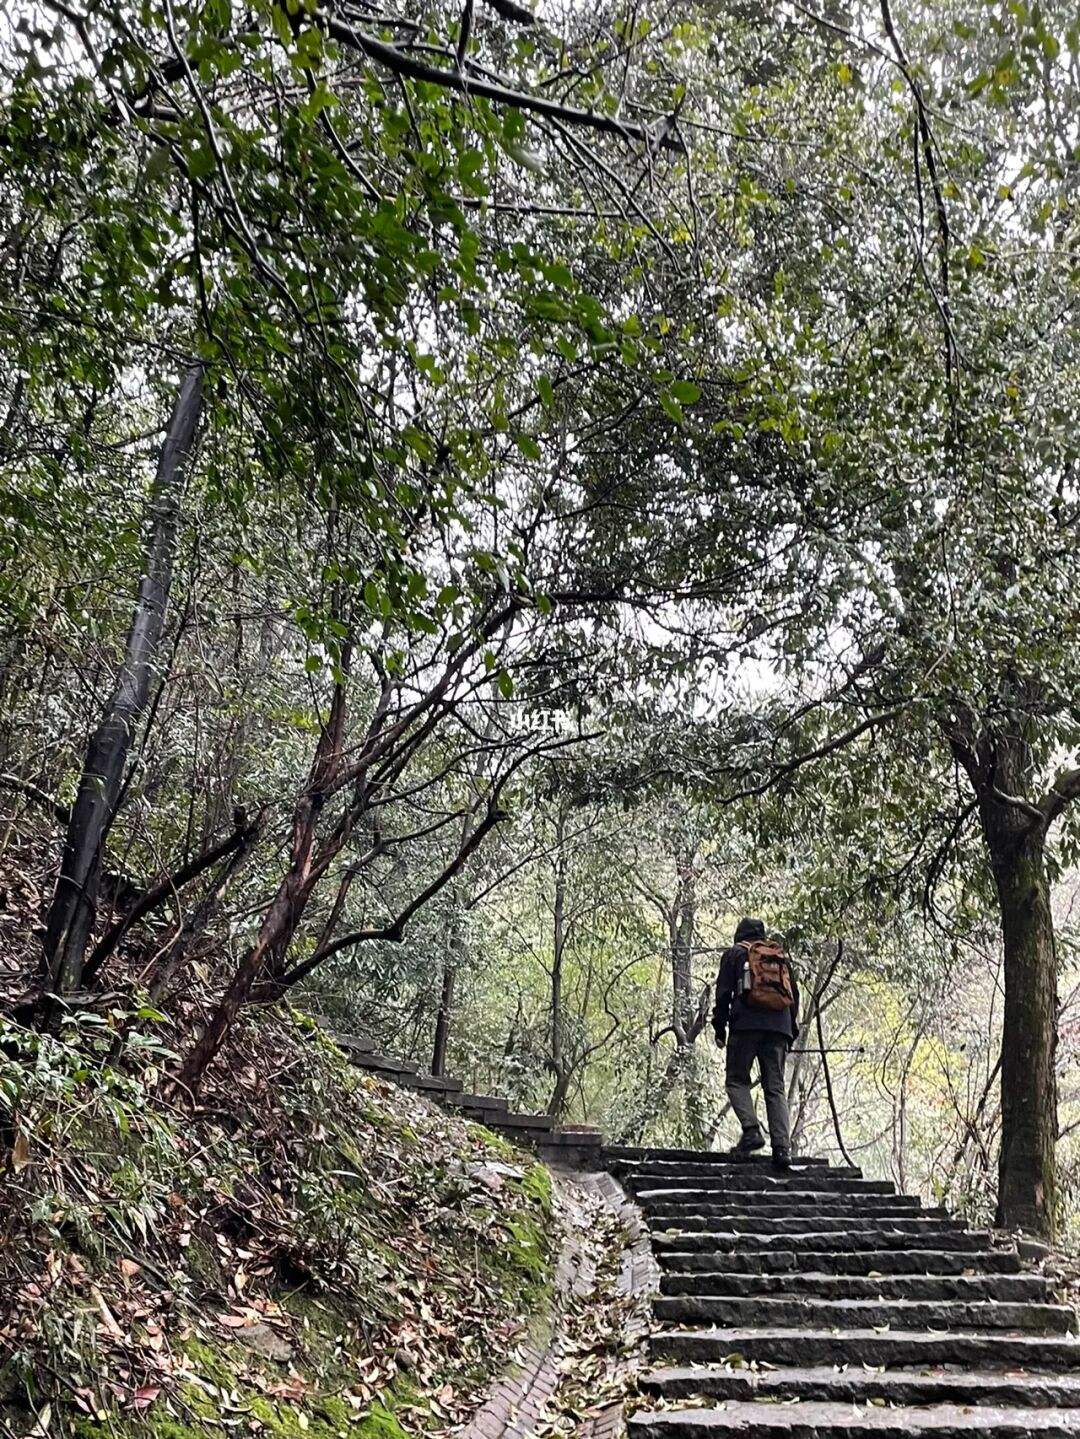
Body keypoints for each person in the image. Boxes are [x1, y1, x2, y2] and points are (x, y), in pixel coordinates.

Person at [712, 916, 799, 1169]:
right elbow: (794, 995)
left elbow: (723, 993)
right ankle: (782, 1149)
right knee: (775, 1087)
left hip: (746, 1026)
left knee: (736, 1079)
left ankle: (751, 1131)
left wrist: (720, 1028)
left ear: (739, 935)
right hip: (779, 1028)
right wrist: (790, 1031)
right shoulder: (779, 958)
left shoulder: (735, 955)